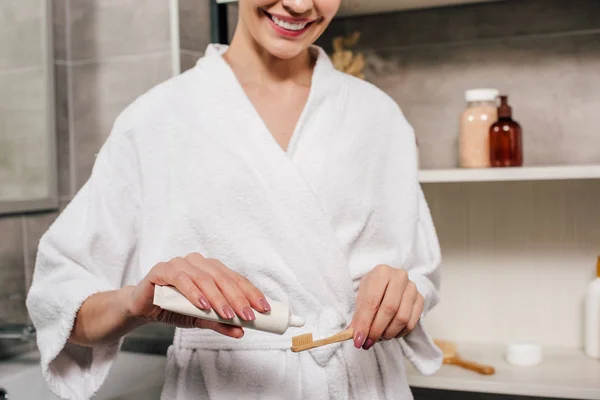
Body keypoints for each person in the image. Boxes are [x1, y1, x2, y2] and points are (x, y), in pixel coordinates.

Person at [26, 0, 443, 399]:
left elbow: (420, 275)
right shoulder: (157, 119)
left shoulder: (378, 116)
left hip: (366, 385)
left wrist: (402, 295)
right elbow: (60, 303)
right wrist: (137, 302)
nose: (299, 5)